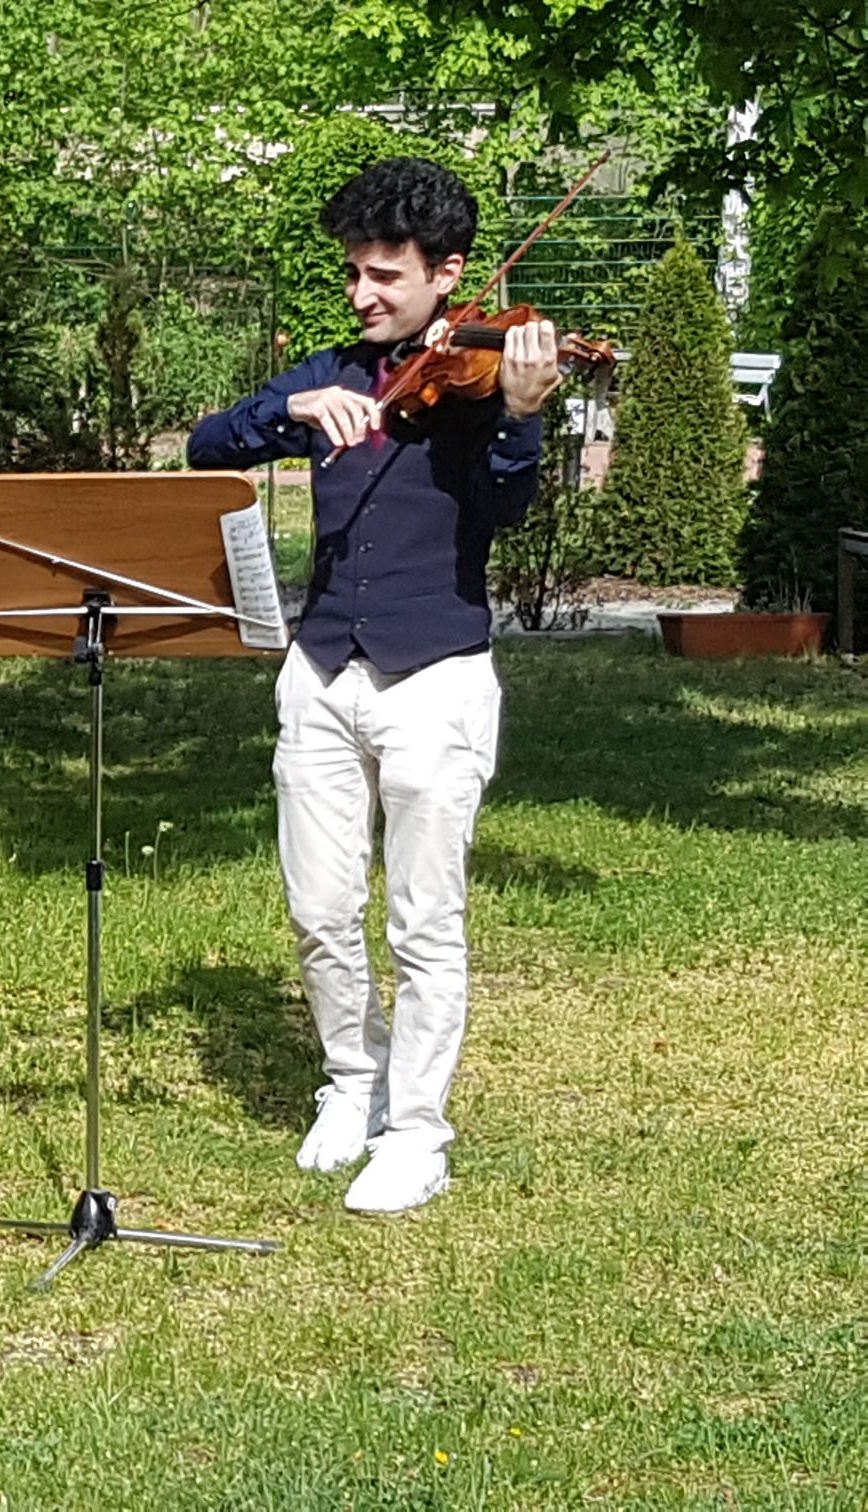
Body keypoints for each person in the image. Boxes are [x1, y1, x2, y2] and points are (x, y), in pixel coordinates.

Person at [185, 158, 562, 1214]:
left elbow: (502, 515)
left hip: (435, 677)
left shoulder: (485, 384)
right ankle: (353, 1083)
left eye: (385, 276)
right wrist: (294, 405)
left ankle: (419, 1131)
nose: (362, 295)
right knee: (318, 909)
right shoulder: (334, 374)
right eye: (354, 272)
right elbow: (206, 443)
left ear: (449, 275)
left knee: (424, 919)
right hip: (318, 672)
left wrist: (524, 416)